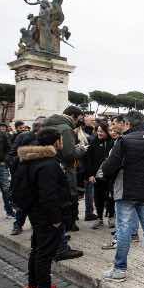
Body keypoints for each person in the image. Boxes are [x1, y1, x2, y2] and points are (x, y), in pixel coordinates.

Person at [13, 128, 72, 288]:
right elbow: (49, 195)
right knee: (44, 253)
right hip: (47, 215)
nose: (62, 143)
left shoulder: (29, 160)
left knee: (37, 249)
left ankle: (33, 286)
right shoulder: (48, 164)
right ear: (55, 142)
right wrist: (56, 219)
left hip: (35, 212)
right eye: (61, 140)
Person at [101, 111, 144, 282]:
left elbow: (109, 167)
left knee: (124, 229)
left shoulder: (123, 141)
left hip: (126, 190)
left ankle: (120, 269)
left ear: (128, 124)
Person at [42, 106, 87, 260]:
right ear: (73, 116)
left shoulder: (46, 123)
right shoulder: (65, 128)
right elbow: (69, 154)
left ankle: (57, 240)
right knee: (63, 203)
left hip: (49, 168)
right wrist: (81, 150)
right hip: (64, 170)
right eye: (80, 117)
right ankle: (61, 245)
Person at [7, 116, 45, 235]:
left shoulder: (46, 138)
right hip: (23, 175)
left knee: (37, 204)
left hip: (39, 176)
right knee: (23, 203)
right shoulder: (23, 136)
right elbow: (11, 155)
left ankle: (38, 228)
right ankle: (18, 224)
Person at [86, 121, 115, 230]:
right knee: (98, 197)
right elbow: (89, 160)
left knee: (111, 197)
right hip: (97, 176)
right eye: (98, 131)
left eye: (101, 131)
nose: (99, 133)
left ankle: (111, 217)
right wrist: (90, 175)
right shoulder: (93, 142)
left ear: (106, 132)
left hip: (109, 176)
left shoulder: (112, 142)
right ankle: (99, 218)